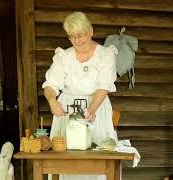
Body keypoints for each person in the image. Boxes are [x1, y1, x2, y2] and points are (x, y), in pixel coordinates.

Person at [42, 11, 118, 180]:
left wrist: (91, 108)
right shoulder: (64, 56)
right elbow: (50, 85)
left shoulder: (105, 55)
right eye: (72, 36)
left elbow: (103, 86)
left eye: (81, 35)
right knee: (66, 158)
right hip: (68, 109)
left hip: (96, 106)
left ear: (91, 31)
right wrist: (52, 101)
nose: (77, 40)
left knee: (98, 156)